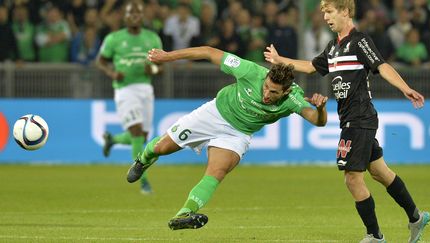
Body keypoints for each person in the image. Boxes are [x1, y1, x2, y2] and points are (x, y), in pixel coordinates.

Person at [264, 0, 429, 242]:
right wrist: (280, 60)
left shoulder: (359, 41)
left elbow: (381, 66)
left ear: (345, 11)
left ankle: (375, 236)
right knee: (381, 173)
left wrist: (405, 88)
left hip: (359, 117)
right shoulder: (332, 47)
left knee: (352, 178)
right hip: (351, 118)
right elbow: (310, 67)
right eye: (323, 13)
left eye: (330, 12)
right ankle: (417, 218)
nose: (326, 17)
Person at [126, 45, 329, 230]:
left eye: (273, 92)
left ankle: (184, 213)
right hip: (214, 115)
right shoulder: (249, 70)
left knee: (217, 171)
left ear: (286, 91)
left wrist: (320, 109)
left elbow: (317, 121)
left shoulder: (293, 98)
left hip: (237, 134)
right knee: (161, 148)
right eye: (266, 86)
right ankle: (143, 159)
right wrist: (168, 57)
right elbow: (208, 52)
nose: (265, 94)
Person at [96, 0, 162, 194]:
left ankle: (113, 140)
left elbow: (163, 67)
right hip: (125, 90)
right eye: (130, 13)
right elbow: (100, 62)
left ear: (143, 16)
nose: (134, 16)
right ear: (124, 16)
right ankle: (143, 181)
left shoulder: (153, 38)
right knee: (136, 131)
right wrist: (112, 73)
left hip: (145, 89)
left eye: (137, 13)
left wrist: (155, 69)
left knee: (143, 137)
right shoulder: (114, 39)